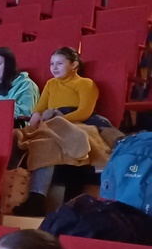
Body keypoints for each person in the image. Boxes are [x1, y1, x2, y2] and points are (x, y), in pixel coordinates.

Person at [14, 47, 109, 216]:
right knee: (20, 137)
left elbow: (84, 112)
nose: (54, 67)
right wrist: (34, 122)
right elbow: (39, 109)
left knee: (48, 142)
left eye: (59, 63)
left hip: (77, 123)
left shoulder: (85, 83)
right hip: (51, 123)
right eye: (52, 64)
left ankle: (37, 197)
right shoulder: (51, 84)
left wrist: (59, 119)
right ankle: (29, 196)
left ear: (74, 65)